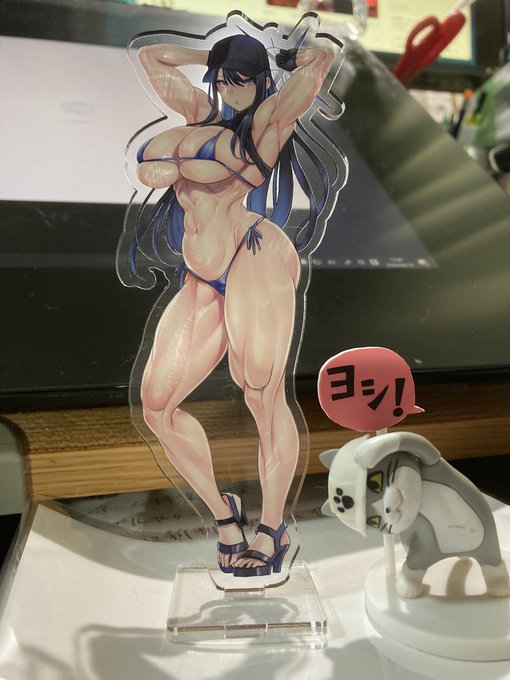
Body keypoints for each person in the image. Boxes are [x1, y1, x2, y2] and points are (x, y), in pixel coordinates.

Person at [122, 29, 340, 576]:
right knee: (157, 406)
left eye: (241, 79)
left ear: (260, 81)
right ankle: (225, 514)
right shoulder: (201, 114)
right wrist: (213, 54)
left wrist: (289, 58)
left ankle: (273, 527)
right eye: (223, 79)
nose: (230, 88)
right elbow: (151, 56)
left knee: (261, 391)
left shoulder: (267, 121)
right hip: (202, 273)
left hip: (253, 255)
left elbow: (322, 60)